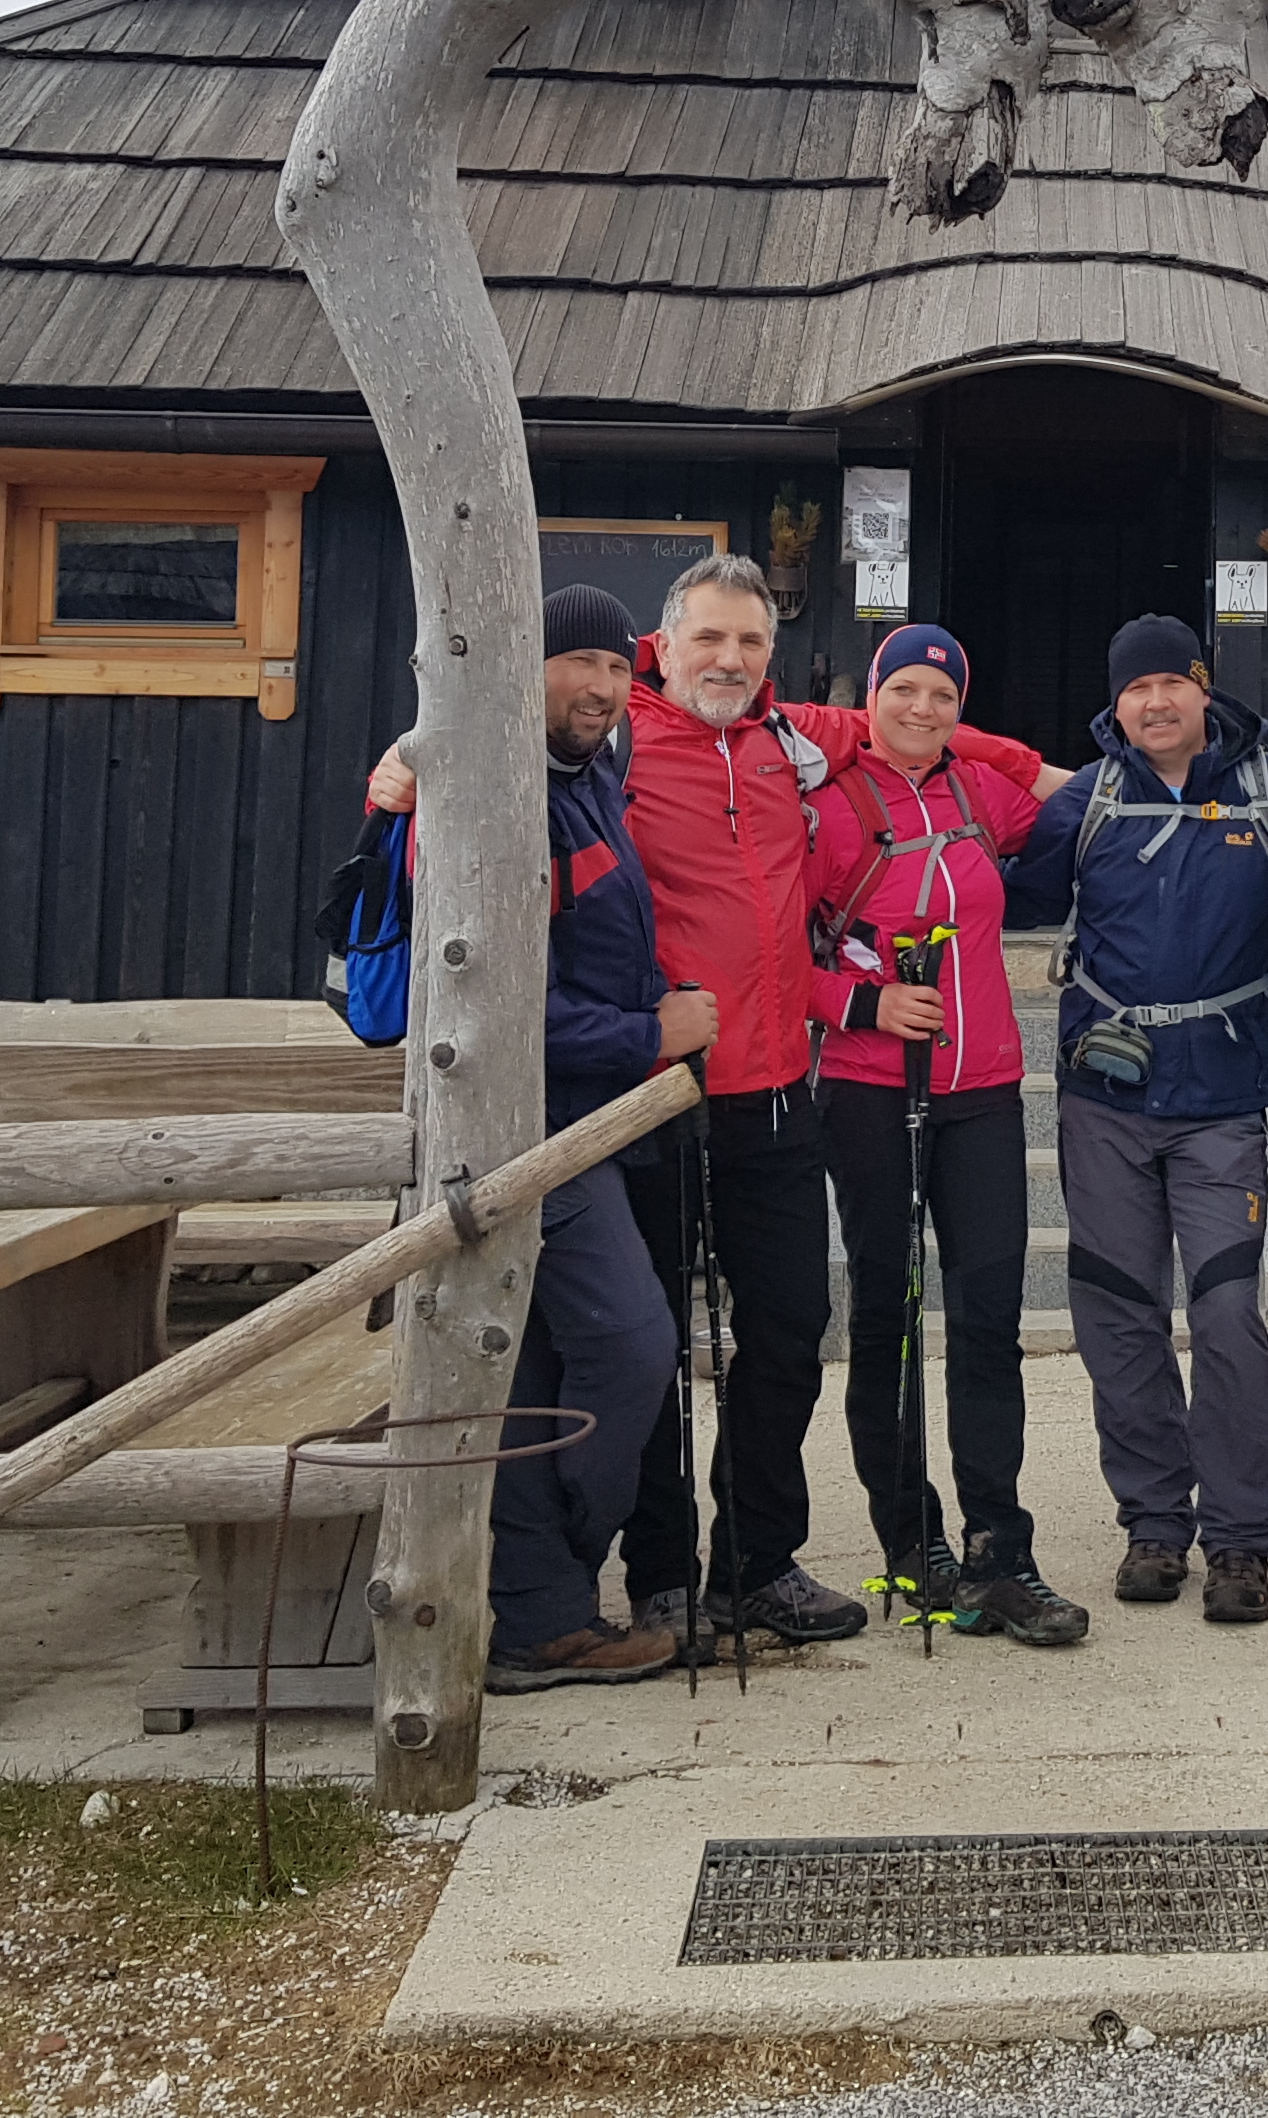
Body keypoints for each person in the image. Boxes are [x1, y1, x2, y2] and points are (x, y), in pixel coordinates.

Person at [369, 552, 1055, 1662]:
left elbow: (918, 727)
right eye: (709, 640)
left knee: (786, 1332)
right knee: (654, 1347)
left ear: (771, 655)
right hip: (652, 1097)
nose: (729, 660)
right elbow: (477, 756)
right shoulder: (620, 741)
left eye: (749, 642)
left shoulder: (796, 740)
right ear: (667, 645)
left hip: (777, 1090)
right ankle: (660, 1580)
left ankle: (755, 1566)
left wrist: (1047, 771)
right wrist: (402, 764)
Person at [1003, 614, 1268, 1626]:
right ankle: (1153, 1523)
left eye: (1171, 685)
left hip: (1222, 1103)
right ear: (1117, 702)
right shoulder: (1090, 799)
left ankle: (1240, 1540)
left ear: (1202, 687)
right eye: (1135, 690)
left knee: (1227, 1315)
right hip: (1106, 1098)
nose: (1154, 703)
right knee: (1116, 1313)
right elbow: (1004, 897)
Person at [803, 623, 1090, 1648]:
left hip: (984, 1088)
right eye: (904, 691)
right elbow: (773, 948)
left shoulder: (981, 793)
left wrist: (983, 746)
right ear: (870, 695)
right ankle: (910, 1539)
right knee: (887, 1311)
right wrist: (864, 1005)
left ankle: (999, 1550)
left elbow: (1078, 800)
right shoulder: (828, 802)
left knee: (987, 1318)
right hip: (870, 1088)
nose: (921, 710)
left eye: (942, 695)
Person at [480, 582, 721, 1688]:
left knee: (535, 1371)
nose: (603, 687)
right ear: (524, 669)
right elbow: (493, 1006)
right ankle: (552, 1571)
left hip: (589, 1129)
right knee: (630, 1344)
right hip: (528, 1137)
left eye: (619, 668)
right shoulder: (506, 799)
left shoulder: (586, 785)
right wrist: (648, 1033)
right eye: (580, 663)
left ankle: (536, 1617)